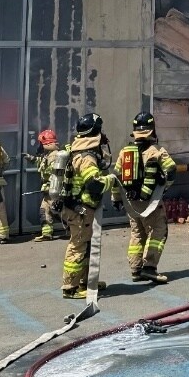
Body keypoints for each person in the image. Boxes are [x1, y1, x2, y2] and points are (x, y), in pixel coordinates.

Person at [112, 111, 176, 284]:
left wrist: (116, 198)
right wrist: (163, 188)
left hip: (131, 203)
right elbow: (171, 170)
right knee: (158, 232)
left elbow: (116, 177)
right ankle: (149, 268)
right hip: (151, 203)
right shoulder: (156, 151)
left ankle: (135, 270)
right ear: (152, 130)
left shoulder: (125, 152)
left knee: (137, 234)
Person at [60, 112, 111, 299]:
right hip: (79, 208)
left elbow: (105, 163)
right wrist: (111, 182)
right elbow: (93, 184)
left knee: (87, 245)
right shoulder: (86, 156)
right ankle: (70, 288)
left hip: (80, 207)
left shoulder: (78, 149)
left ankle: (86, 282)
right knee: (78, 245)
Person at [25, 129, 60, 242]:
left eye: (41, 143)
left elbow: (53, 173)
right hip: (50, 189)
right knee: (45, 210)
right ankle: (46, 234)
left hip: (53, 189)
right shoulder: (49, 155)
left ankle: (76, 230)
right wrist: (31, 158)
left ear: (46, 143)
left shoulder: (53, 156)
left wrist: (50, 187)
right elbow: (42, 163)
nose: (39, 146)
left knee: (60, 212)